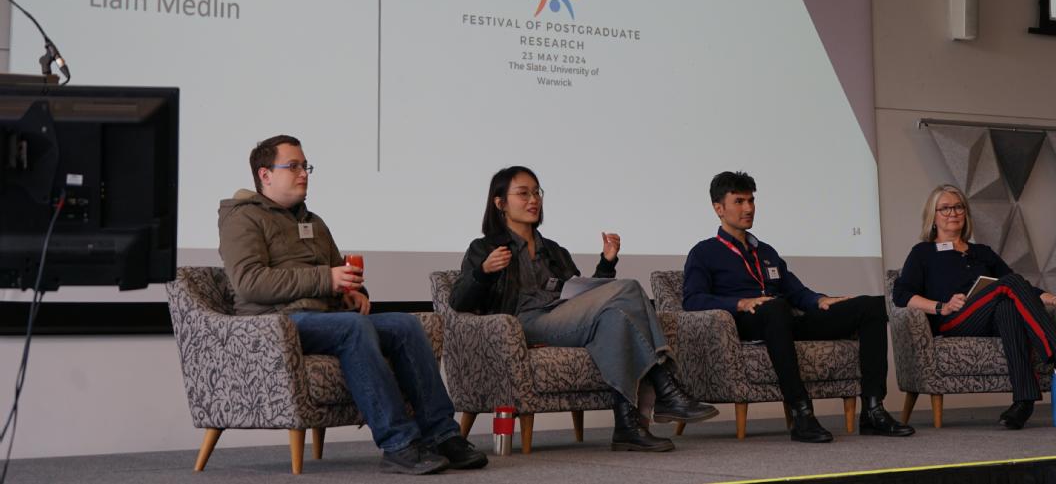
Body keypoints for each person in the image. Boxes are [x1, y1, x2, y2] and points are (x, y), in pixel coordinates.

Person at [219, 135, 487, 475]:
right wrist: (326, 280)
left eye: (306, 166)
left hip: (323, 317)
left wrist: (351, 292)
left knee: (405, 325)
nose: (303, 173)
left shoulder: (314, 222)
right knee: (353, 327)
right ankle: (399, 444)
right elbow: (250, 282)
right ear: (265, 174)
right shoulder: (242, 218)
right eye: (294, 166)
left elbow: (336, 275)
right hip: (274, 321)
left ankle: (442, 435)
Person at [450, 165, 718, 452]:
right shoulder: (484, 247)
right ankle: (665, 385)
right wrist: (483, 271)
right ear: (500, 203)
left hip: (562, 316)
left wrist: (606, 263)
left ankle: (627, 428)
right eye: (523, 194)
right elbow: (459, 302)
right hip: (521, 324)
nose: (533, 200)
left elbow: (585, 293)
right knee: (629, 287)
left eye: (537, 193)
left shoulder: (554, 250)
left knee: (615, 319)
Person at [684, 171, 914, 442]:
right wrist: (741, 303)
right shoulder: (703, 252)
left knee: (871, 306)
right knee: (775, 308)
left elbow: (795, 291)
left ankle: (873, 410)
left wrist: (819, 300)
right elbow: (692, 300)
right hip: (746, 324)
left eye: (751, 200)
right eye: (739, 201)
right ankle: (801, 414)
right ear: (719, 208)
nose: (748, 208)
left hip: (784, 320)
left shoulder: (766, 251)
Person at [892, 184, 1056, 429]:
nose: (953, 213)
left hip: (989, 317)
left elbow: (1018, 286)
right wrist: (941, 307)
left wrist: (1052, 299)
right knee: (1009, 285)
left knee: (1008, 308)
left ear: (965, 213)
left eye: (958, 207)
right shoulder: (923, 252)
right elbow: (900, 294)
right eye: (945, 208)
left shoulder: (982, 252)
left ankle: (1023, 401)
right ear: (933, 216)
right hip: (954, 320)